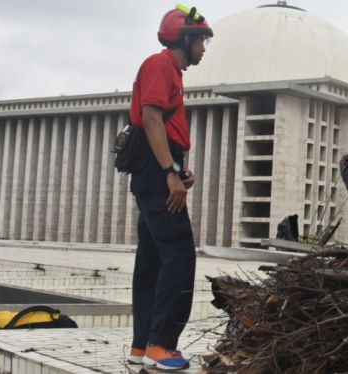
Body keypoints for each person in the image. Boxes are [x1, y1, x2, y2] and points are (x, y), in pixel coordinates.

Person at [125, 5, 213, 371]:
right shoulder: (161, 65)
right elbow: (150, 119)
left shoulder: (170, 71)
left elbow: (162, 124)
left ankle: (141, 346)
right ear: (186, 38)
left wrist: (178, 169)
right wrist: (169, 173)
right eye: (202, 42)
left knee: (152, 259)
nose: (204, 50)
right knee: (179, 255)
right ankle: (162, 346)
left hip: (157, 167)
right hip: (155, 169)